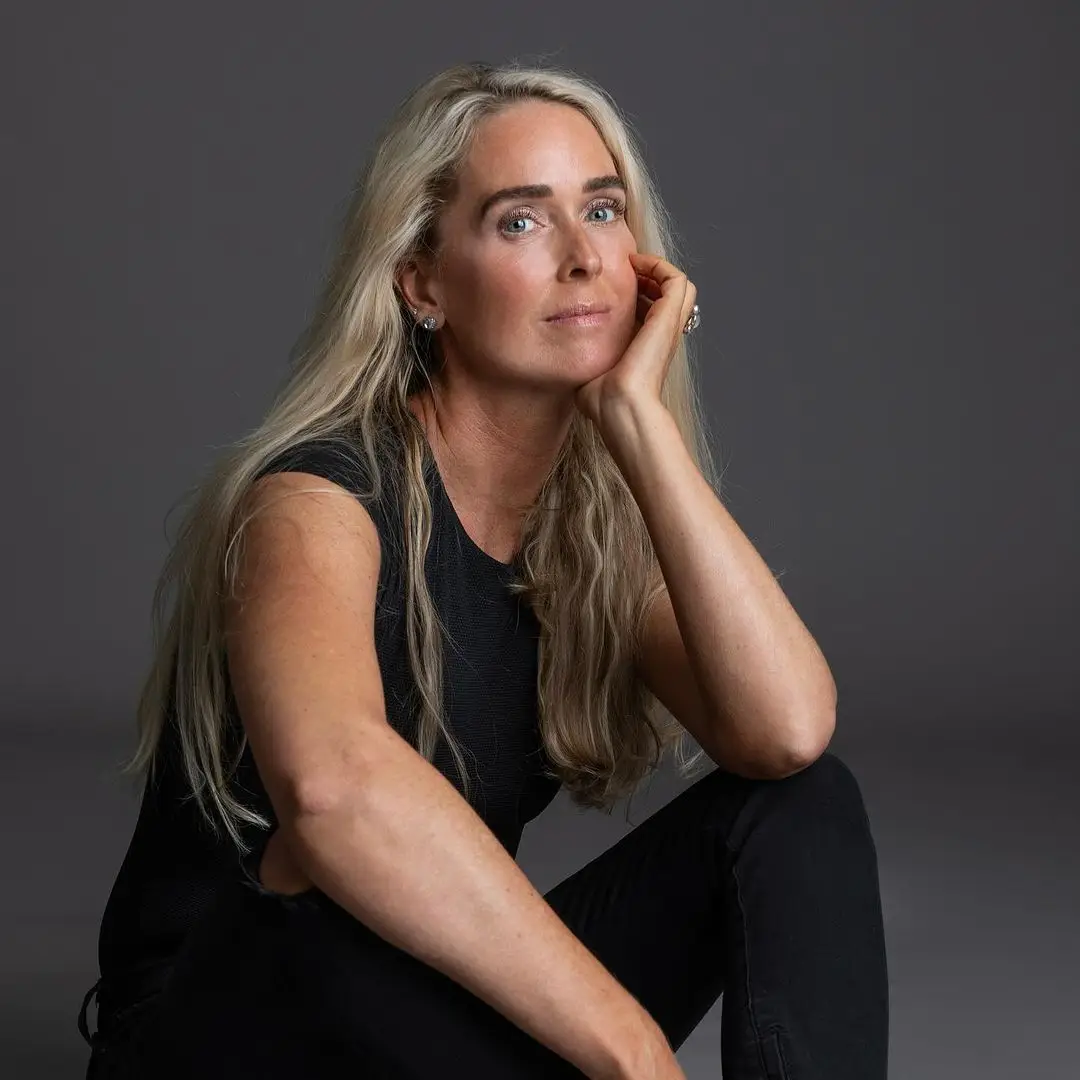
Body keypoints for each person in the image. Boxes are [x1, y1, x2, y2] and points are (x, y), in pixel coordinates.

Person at [77, 61, 889, 1078]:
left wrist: (643, 429)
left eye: (602, 209)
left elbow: (784, 733)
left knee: (797, 808)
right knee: (323, 869)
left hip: (414, 1013)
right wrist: (634, 1050)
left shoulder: (585, 531)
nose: (585, 258)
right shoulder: (317, 500)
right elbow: (335, 795)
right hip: (229, 1027)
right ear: (422, 282)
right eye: (520, 222)